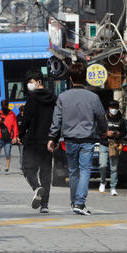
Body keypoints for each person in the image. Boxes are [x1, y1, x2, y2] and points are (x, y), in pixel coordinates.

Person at [48, 62, 107, 215]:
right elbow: (101, 117)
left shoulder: (62, 97)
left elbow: (57, 120)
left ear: (71, 78)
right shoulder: (93, 97)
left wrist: (52, 138)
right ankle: (80, 203)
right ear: (86, 77)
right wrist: (104, 131)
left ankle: (74, 201)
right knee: (85, 170)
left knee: (73, 171)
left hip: (69, 140)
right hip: (87, 139)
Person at [19, 70, 56, 213]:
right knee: (46, 173)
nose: (29, 84)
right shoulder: (53, 98)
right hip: (48, 141)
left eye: (31, 81)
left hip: (33, 140)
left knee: (28, 168)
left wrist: (21, 135)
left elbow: (26, 120)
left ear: (39, 81)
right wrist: (55, 138)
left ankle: (36, 187)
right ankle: (45, 205)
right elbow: (56, 120)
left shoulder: (32, 99)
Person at [98, 100, 127, 196]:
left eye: (115, 107)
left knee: (114, 168)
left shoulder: (121, 120)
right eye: (112, 107)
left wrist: (119, 134)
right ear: (109, 108)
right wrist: (106, 133)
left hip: (114, 144)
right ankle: (102, 182)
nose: (113, 109)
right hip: (104, 144)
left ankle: (113, 187)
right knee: (102, 165)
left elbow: (125, 132)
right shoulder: (104, 118)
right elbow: (97, 131)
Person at [0, 99, 18, 175]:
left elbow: (15, 126)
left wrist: (15, 136)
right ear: (1, 106)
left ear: (7, 105)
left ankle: (7, 168)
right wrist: (0, 121)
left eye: (5, 106)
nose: (4, 107)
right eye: (3, 106)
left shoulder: (12, 114)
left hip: (8, 137)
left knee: (7, 153)